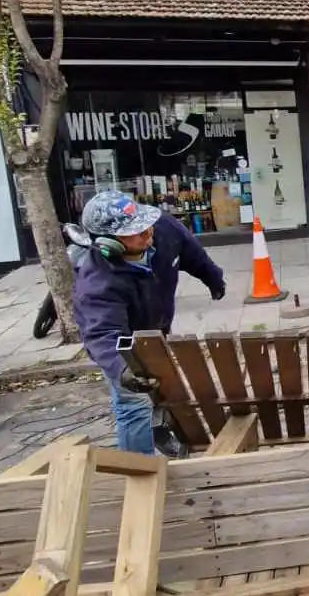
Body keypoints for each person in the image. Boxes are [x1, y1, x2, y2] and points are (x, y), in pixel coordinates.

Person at [73, 190, 226, 454]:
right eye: (135, 231)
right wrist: (123, 370)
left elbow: (191, 251)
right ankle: (139, 473)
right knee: (133, 402)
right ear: (109, 243)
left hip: (156, 327)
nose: (147, 233)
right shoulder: (98, 284)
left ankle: (158, 432)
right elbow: (103, 335)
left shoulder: (162, 227)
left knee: (160, 390)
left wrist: (213, 278)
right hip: (124, 345)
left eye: (145, 225)